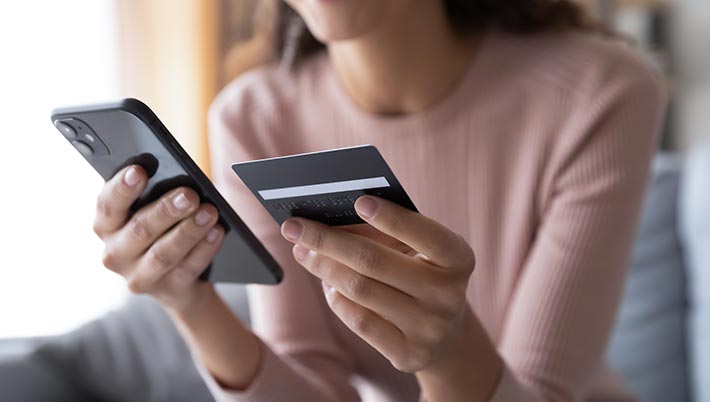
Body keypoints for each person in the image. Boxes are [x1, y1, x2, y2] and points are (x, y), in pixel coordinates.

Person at [92, 1, 666, 401]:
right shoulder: (253, 118)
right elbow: (314, 386)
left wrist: (447, 352)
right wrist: (191, 304)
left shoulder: (601, 94)